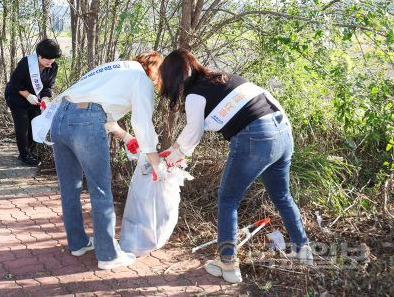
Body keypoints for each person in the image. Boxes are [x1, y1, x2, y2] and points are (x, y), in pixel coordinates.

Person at [158, 48, 312, 284]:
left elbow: (193, 131)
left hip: (255, 138)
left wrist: (175, 155)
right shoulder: (221, 78)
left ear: (173, 77)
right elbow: (195, 130)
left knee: (228, 199)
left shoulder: (195, 95)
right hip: (282, 131)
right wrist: (177, 148)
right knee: (282, 195)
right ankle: (304, 251)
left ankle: (227, 265)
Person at [41, 51, 165, 270]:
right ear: (154, 70)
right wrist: (156, 163)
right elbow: (142, 123)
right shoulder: (142, 80)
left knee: (70, 187)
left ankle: (77, 243)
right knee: (100, 190)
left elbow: (95, 107)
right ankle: (108, 255)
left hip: (60, 117)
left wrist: (126, 138)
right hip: (85, 121)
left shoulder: (115, 68)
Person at [5, 39, 61, 166]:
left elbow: (48, 85)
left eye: (53, 59)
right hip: (17, 97)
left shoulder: (53, 66)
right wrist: (27, 95)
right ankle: (24, 155)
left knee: (34, 125)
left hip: (36, 100)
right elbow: (15, 82)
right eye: (48, 58)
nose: (50, 62)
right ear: (39, 55)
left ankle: (30, 151)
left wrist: (46, 98)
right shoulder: (26, 63)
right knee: (22, 127)